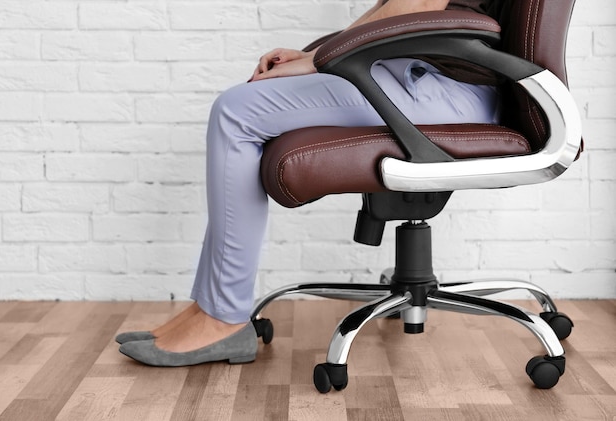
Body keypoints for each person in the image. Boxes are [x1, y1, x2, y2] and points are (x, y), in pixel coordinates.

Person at [117, 0, 498, 366]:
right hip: (419, 78)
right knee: (241, 106)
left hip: (445, 90)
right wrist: (315, 55)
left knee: (236, 112)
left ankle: (222, 317)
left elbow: (418, 6)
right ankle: (209, 307)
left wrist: (320, 60)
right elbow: (392, 10)